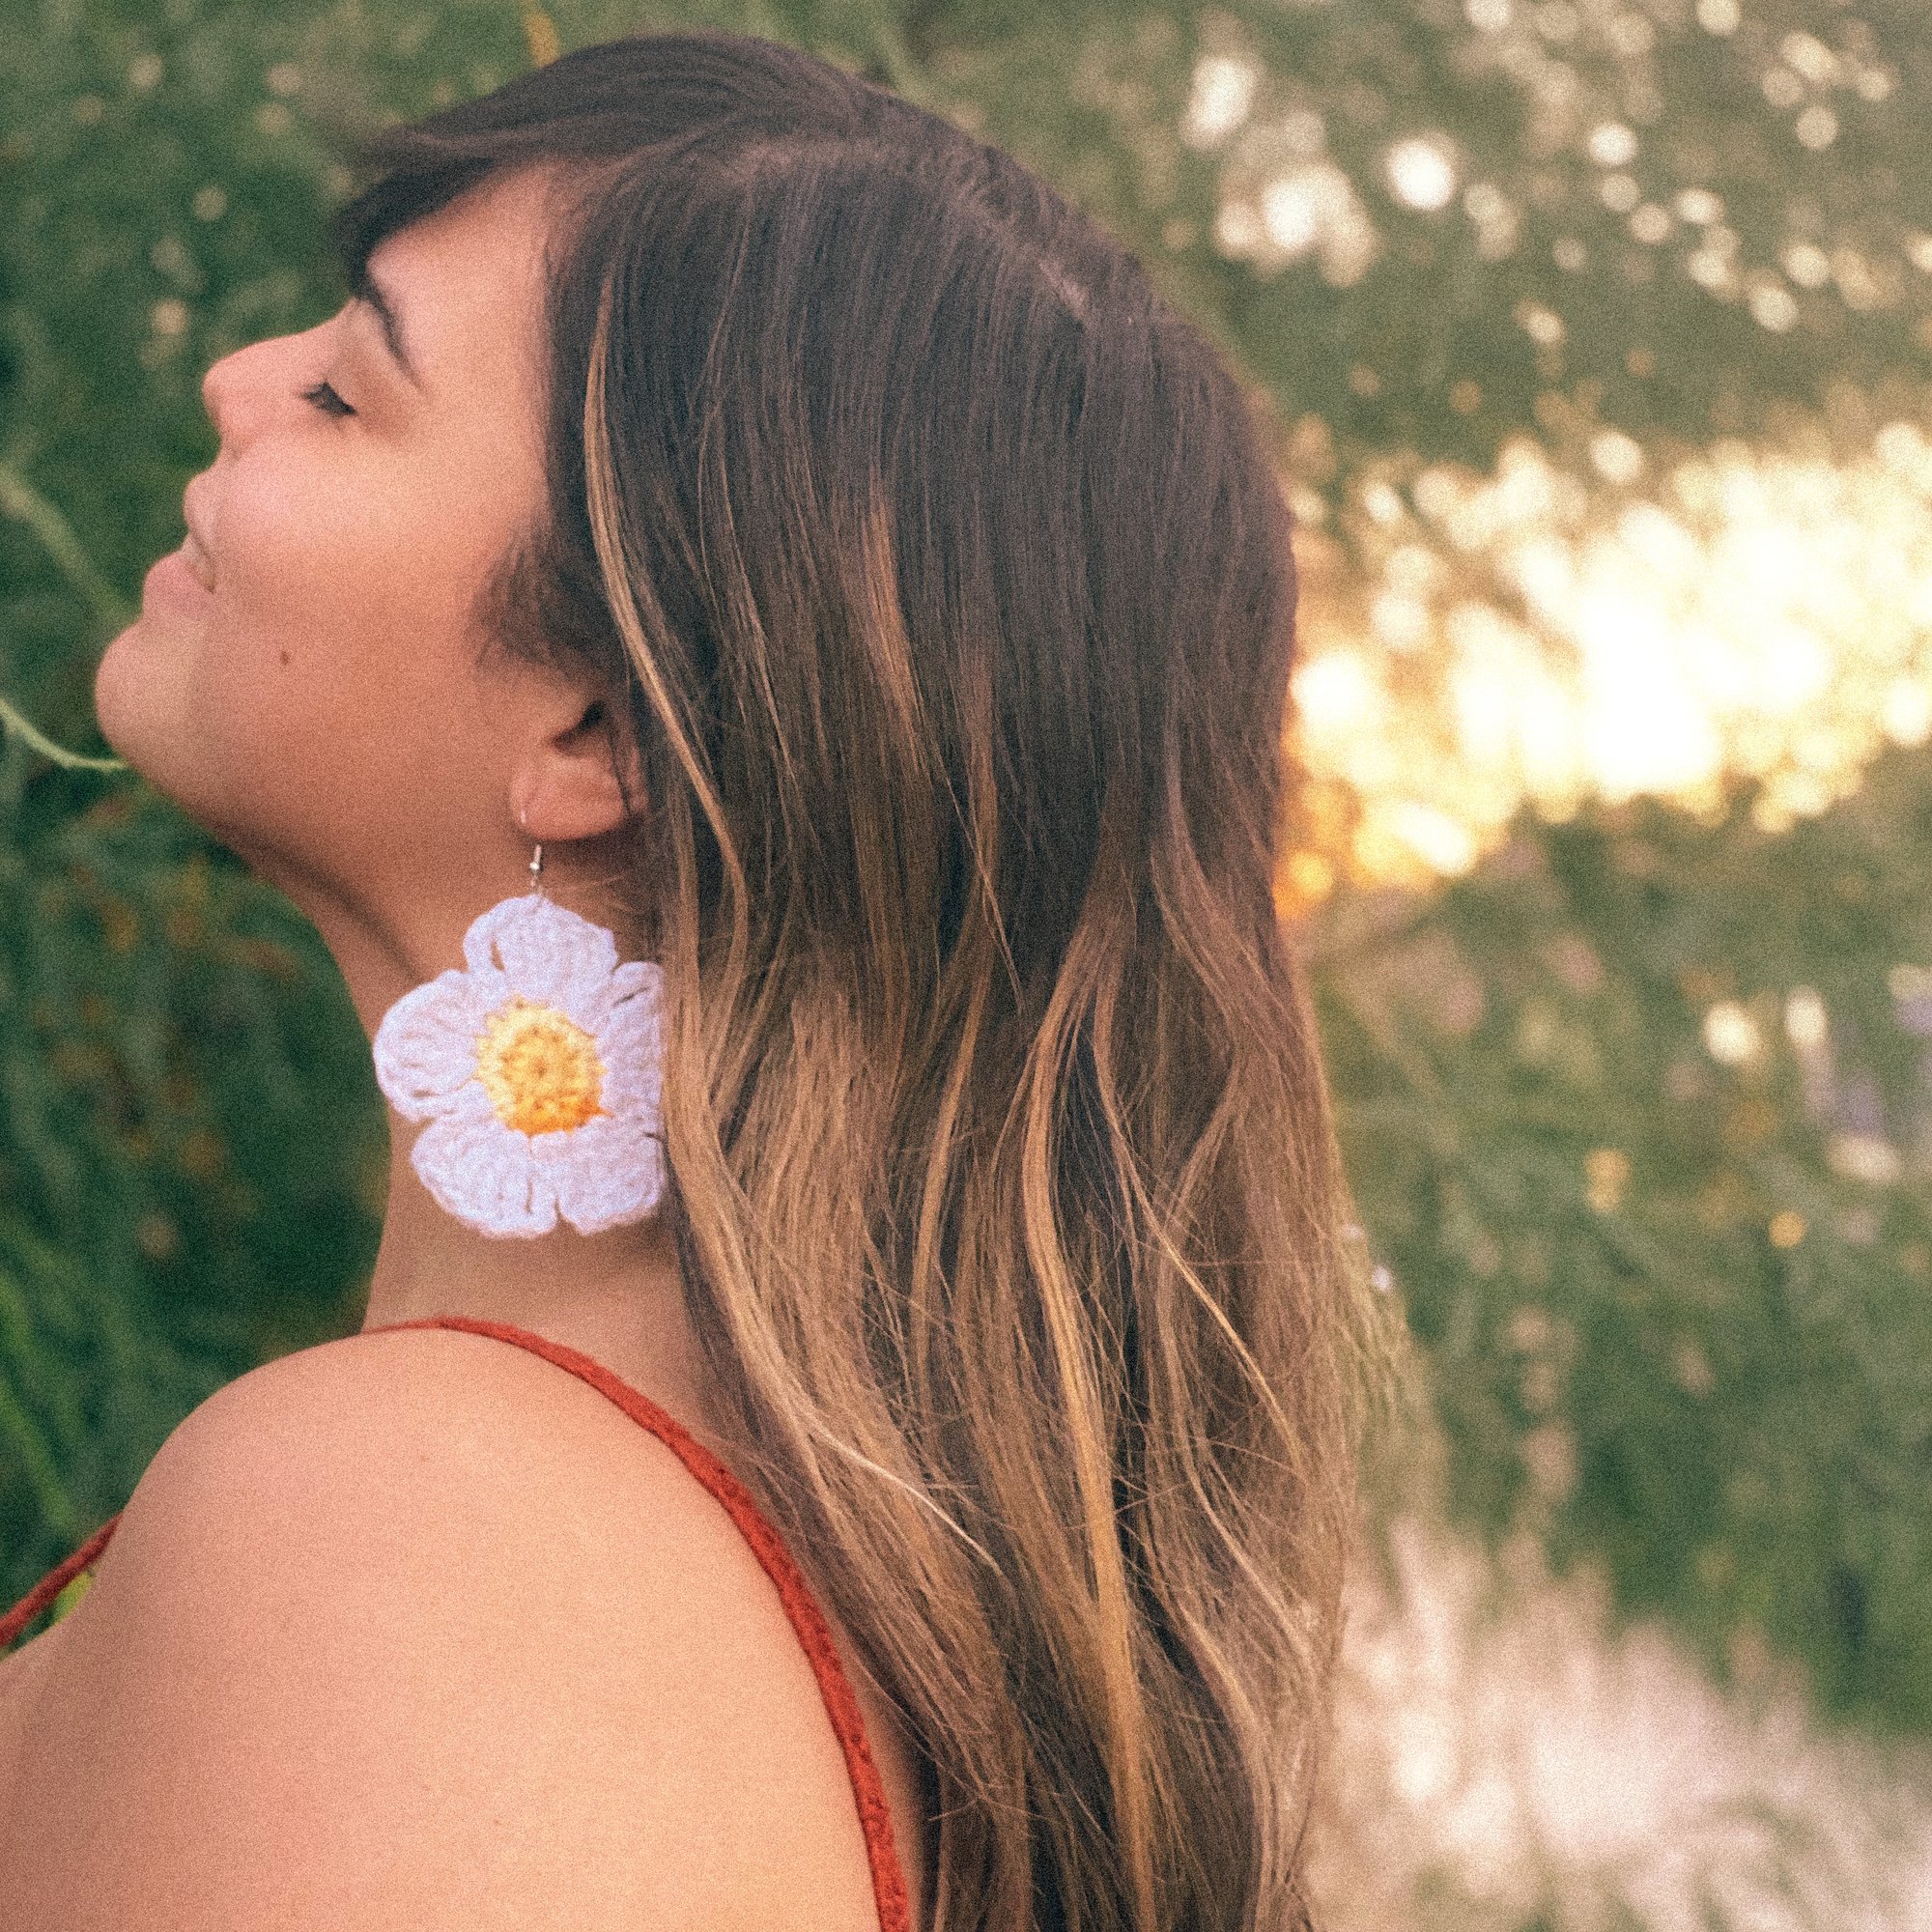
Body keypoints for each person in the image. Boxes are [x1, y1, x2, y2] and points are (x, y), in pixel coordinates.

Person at [0, 27, 1383, 1931]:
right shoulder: (663, 1566)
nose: (237, 379)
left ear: (602, 731)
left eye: (343, 390)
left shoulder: (422, 1549)